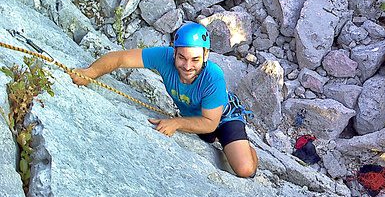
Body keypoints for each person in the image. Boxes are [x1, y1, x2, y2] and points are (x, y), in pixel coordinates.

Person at [71, 22, 258, 178]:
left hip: (224, 118)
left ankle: (246, 147)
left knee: (245, 169)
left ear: (206, 55)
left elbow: (210, 123)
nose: (187, 66)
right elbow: (121, 58)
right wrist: (91, 72)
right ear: (174, 51)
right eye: (182, 57)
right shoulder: (164, 57)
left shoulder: (213, 77)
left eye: (195, 59)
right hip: (195, 115)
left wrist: (176, 123)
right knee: (207, 138)